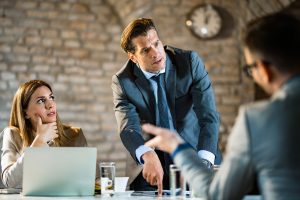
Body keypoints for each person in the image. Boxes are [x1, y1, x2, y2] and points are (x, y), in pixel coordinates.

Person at [143, 12, 300, 200]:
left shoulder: (256, 120)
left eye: (250, 69)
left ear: (264, 71)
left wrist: (177, 147)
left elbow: (217, 195)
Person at [112, 18, 221, 194]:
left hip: (196, 156)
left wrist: (202, 163)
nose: (155, 53)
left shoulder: (189, 63)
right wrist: (147, 154)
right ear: (133, 57)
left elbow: (208, 117)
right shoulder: (123, 81)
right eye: (146, 50)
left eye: (156, 43)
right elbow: (128, 127)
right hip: (153, 166)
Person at [1, 80, 87, 188]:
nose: (50, 105)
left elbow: (95, 180)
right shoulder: (12, 134)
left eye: (51, 97)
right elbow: (9, 181)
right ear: (25, 113)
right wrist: (39, 141)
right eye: (41, 101)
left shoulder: (75, 134)